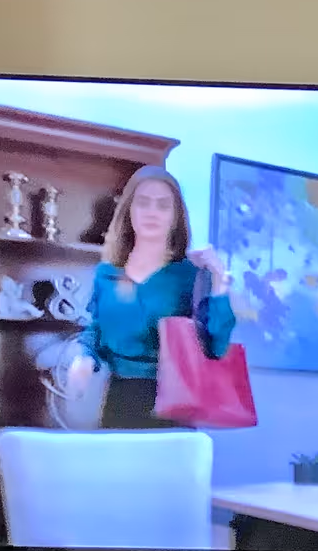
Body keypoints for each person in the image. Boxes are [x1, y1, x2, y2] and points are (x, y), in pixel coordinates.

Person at [83, 166, 236, 428]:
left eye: (163, 205)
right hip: (119, 400)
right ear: (129, 210)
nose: (152, 212)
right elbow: (96, 331)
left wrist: (220, 282)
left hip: (174, 403)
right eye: (143, 203)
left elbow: (216, 348)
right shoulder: (105, 274)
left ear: (176, 216)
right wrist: (84, 357)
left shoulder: (192, 275)